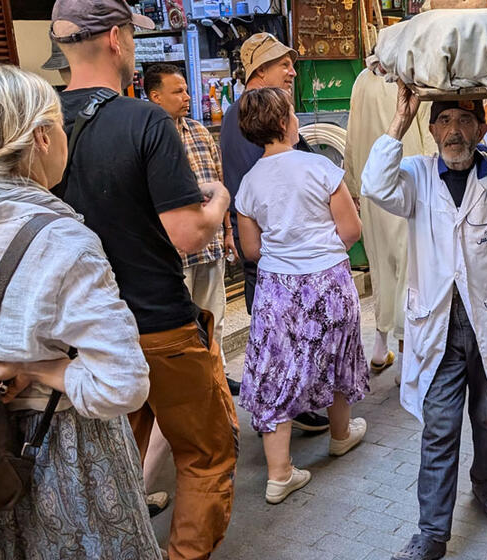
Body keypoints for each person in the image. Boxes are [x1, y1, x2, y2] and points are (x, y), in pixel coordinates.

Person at [50, 1, 239, 558]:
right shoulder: (144, 120)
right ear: (116, 39)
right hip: (158, 323)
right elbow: (187, 234)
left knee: (113, 461)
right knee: (206, 455)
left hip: (83, 328)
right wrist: (218, 201)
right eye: (132, 36)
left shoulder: (39, 122)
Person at [0, 64, 160, 559]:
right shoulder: (65, 241)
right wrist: (33, 368)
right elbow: (123, 385)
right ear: (43, 137)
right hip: (70, 450)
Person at [362, 85, 487, 560]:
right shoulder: (416, 175)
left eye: (464, 120)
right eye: (445, 121)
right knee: (439, 427)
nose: (454, 131)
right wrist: (399, 120)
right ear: (433, 130)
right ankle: (432, 534)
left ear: (480, 128)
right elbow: (374, 184)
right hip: (438, 327)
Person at [234, 87, 369, 504]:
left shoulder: (248, 183)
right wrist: (319, 253)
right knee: (338, 354)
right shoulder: (320, 167)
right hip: (328, 281)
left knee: (277, 369)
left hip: (277, 288)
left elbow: (251, 249)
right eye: (292, 114)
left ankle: (279, 474)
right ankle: (341, 434)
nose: (296, 120)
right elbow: (352, 230)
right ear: (282, 123)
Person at [220, 31, 330, 432]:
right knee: (282, 336)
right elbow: (273, 184)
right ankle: (285, 411)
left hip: (275, 247)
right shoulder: (250, 116)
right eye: (283, 65)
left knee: (285, 332)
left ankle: (290, 405)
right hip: (273, 248)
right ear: (259, 70)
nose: (292, 72)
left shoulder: (251, 112)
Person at [145, 63, 235, 378]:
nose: (186, 97)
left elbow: (220, 180)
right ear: (155, 96)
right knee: (180, 324)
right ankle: (192, 382)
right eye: (177, 91)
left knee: (214, 315)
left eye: (185, 90)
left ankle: (217, 377)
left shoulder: (198, 131)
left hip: (210, 244)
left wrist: (227, 230)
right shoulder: (147, 137)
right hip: (173, 250)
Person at [344, 69, 435, 374]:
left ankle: (380, 346)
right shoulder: (412, 78)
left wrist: (354, 185)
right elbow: (427, 136)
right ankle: (405, 358)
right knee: (409, 271)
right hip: (407, 185)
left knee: (381, 268)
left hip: (372, 188)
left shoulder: (361, 80)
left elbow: (351, 137)